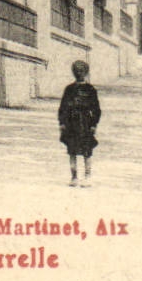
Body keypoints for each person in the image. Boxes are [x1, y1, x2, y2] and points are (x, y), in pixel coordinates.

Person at [58, 59, 101, 187]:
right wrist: (62, 122)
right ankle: (74, 176)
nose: (79, 73)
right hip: (72, 123)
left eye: (82, 71)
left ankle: (87, 176)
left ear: (86, 72)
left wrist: (94, 124)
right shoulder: (69, 89)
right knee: (72, 150)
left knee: (87, 150)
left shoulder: (90, 89)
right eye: (76, 71)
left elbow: (96, 109)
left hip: (86, 123)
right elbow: (63, 107)